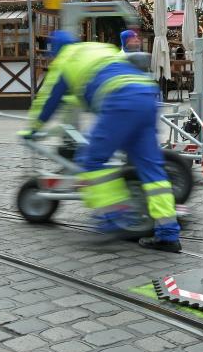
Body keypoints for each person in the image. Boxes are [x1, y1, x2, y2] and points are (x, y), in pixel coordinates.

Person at [24, 31, 180, 252]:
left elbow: (49, 101)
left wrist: (32, 129)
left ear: (55, 52)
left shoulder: (65, 61)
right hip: (146, 96)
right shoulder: (99, 48)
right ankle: (168, 234)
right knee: (152, 170)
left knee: (91, 160)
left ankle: (114, 220)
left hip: (120, 100)